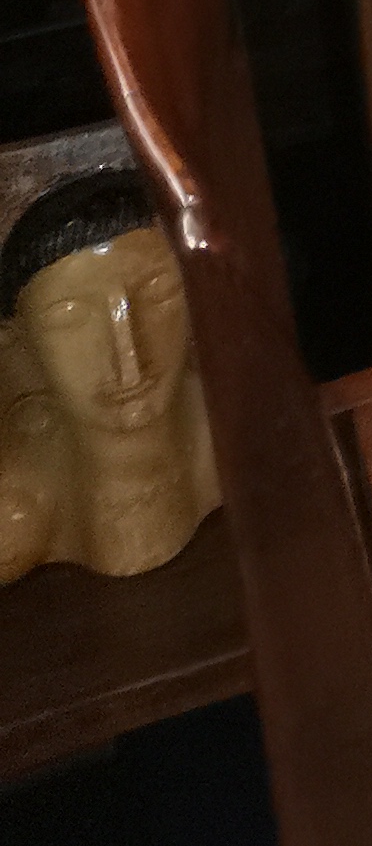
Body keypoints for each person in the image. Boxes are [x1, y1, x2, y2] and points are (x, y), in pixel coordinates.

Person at [0, 170, 220, 583]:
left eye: (160, 294)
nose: (128, 357)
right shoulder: (18, 511)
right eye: (70, 319)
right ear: (16, 342)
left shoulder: (241, 442)